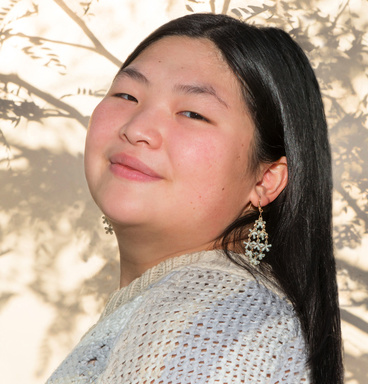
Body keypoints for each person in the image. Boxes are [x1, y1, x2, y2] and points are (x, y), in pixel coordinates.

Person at [46, 13, 343, 384]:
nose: (136, 129)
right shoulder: (193, 305)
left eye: (192, 113)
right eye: (126, 94)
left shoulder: (216, 317)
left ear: (266, 179)